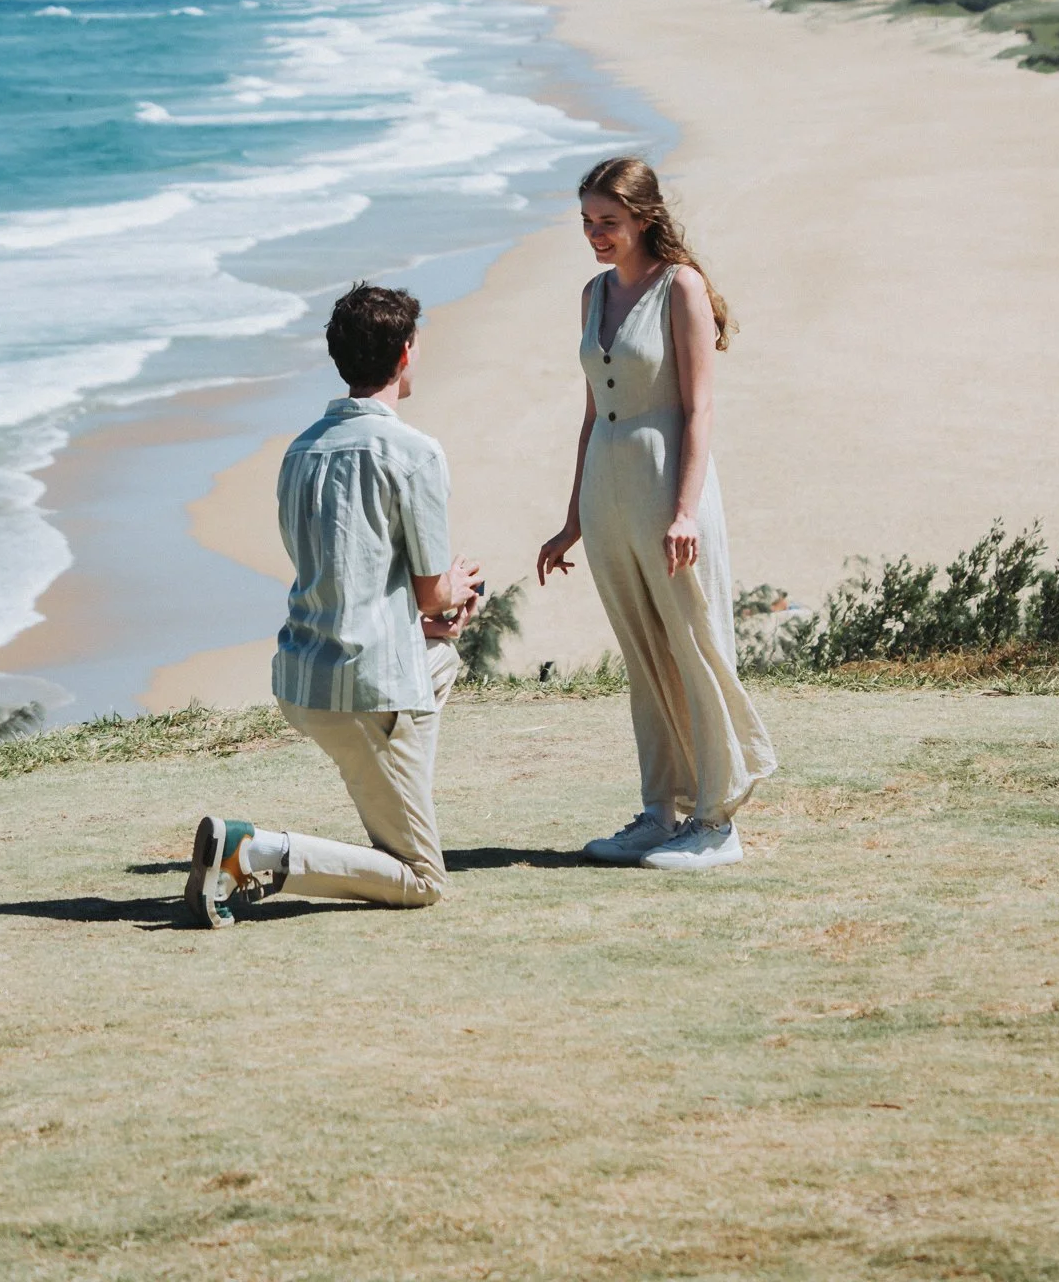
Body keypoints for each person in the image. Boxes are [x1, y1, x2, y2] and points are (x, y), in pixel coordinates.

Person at [186, 282, 481, 928]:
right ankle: (254, 850)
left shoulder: (299, 452)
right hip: (365, 687)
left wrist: (424, 617)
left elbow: (345, 575)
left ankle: (403, 817)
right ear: (406, 355)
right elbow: (434, 590)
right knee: (423, 880)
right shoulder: (413, 451)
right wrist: (456, 591)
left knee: (438, 657)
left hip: (301, 677)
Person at [537, 157, 776, 871]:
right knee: (643, 653)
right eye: (586, 222)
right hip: (608, 487)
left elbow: (699, 408)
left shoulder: (682, 287)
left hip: (670, 483)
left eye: (607, 222)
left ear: (644, 217)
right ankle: (660, 810)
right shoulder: (591, 294)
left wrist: (683, 513)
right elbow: (590, 412)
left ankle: (717, 820)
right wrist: (570, 518)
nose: (594, 235)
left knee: (693, 644)